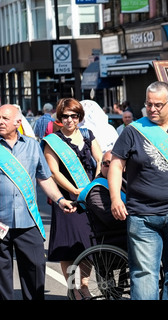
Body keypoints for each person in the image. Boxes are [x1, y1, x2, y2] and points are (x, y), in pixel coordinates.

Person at [108, 81, 168, 300]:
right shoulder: (134, 131)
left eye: (158, 105)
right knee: (144, 274)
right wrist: (116, 198)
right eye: (148, 104)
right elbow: (116, 165)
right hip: (143, 216)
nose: (152, 109)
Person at [79, 150, 168, 300]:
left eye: (112, 163)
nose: (109, 166)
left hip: (131, 230)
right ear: (101, 166)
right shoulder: (96, 189)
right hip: (116, 237)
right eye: (105, 163)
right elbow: (111, 219)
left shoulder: (124, 182)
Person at [0, 104, 75, 300]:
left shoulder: (32, 145)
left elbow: (44, 177)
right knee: (1, 278)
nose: (0, 122)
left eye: (5, 118)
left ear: (18, 122)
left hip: (28, 221)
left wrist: (59, 199)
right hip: (1, 221)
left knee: (35, 271)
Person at [41, 98, 103, 287]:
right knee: (68, 246)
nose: (70, 120)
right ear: (59, 118)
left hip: (89, 195)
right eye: (65, 116)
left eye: (74, 116)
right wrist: (75, 190)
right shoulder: (53, 141)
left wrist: (94, 185)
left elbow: (100, 159)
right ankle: (72, 287)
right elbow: (54, 171)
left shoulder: (88, 134)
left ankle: (83, 285)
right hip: (67, 198)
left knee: (88, 244)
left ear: (80, 117)